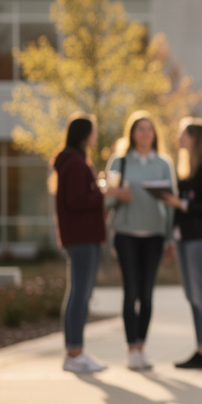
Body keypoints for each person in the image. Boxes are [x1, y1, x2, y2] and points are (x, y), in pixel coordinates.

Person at [105, 111, 177, 371]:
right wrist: (117, 195)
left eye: (149, 129)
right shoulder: (119, 162)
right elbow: (107, 198)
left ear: (155, 134)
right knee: (131, 292)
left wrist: (170, 239)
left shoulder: (164, 163)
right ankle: (131, 348)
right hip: (126, 234)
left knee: (146, 294)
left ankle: (142, 346)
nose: (145, 133)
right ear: (132, 133)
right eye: (140, 129)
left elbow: (171, 204)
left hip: (155, 236)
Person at [160, 118, 202, 370]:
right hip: (185, 238)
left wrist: (181, 204)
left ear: (195, 138)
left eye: (183, 135)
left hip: (200, 239)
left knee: (200, 293)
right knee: (192, 295)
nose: (179, 139)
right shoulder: (190, 169)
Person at [52, 114, 116, 374]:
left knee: (78, 293)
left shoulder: (72, 162)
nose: (97, 136)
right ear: (84, 135)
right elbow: (77, 201)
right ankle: (74, 353)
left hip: (80, 236)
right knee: (80, 294)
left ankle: (75, 351)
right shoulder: (76, 164)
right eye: (94, 132)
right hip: (82, 237)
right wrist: (103, 193)